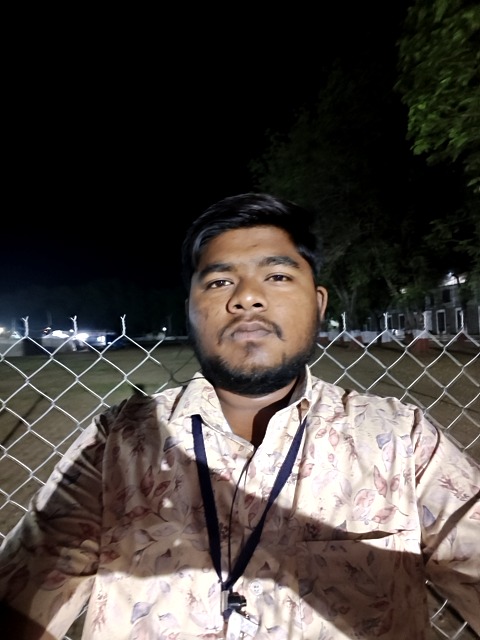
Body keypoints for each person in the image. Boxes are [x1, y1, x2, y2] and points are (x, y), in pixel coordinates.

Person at [0, 192, 479, 639]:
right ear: (190, 309)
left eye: (277, 277)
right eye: (220, 281)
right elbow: (26, 587)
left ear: (318, 303)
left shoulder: (403, 440)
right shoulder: (118, 444)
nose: (247, 297)